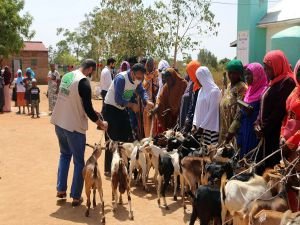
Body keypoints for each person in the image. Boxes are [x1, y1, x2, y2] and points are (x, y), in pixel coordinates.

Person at [51, 59, 108, 206]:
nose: (91, 75)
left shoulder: (67, 76)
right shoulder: (83, 82)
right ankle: (76, 196)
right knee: (78, 162)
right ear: (89, 69)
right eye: (92, 72)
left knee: (64, 155)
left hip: (59, 123)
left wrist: (93, 111)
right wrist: (100, 123)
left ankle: (61, 190)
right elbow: (87, 108)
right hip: (74, 127)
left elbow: (73, 100)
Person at [103, 63, 154, 176]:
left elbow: (141, 91)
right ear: (132, 73)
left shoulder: (138, 79)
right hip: (111, 109)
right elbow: (118, 99)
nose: (140, 79)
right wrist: (131, 105)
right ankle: (109, 169)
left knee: (127, 137)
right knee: (112, 139)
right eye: (138, 76)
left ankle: (123, 166)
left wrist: (146, 101)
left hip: (122, 109)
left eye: (141, 77)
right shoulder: (121, 78)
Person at [254, 50, 296, 174]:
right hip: (265, 134)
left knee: (272, 170)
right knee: (261, 171)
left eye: (268, 69)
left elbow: (279, 111)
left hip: (275, 135)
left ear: (277, 66)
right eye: (265, 69)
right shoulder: (272, 83)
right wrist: (256, 123)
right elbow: (262, 107)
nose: (266, 72)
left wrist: (263, 128)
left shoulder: (287, 83)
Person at [236, 63, 268, 157]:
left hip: (254, 131)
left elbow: (263, 114)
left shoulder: (264, 91)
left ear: (257, 75)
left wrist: (252, 112)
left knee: (252, 159)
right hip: (245, 128)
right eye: (246, 74)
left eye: (249, 74)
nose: (247, 77)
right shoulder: (249, 90)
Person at [220, 59, 247, 143]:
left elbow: (240, 113)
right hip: (224, 127)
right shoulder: (229, 86)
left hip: (234, 131)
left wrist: (231, 131)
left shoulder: (242, 88)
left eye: (234, 73)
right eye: (230, 72)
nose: (231, 75)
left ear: (239, 74)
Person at [192, 66, 222, 145]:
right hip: (199, 129)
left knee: (210, 153)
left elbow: (212, 111)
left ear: (203, 78)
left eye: (198, 78)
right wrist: (194, 124)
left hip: (210, 129)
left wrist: (202, 127)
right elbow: (197, 108)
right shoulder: (201, 90)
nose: (197, 81)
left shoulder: (214, 91)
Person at [182, 60, 201, 133]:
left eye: (190, 73)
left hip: (199, 124)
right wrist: (188, 118)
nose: (189, 75)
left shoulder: (201, 87)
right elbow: (192, 104)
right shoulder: (194, 84)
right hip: (191, 119)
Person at [142, 57, 159, 137]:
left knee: (152, 124)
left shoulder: (155, 76)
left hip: (153, 103)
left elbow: (156, 88)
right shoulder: (145, 77)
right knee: (148, 125)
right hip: (147, 103)